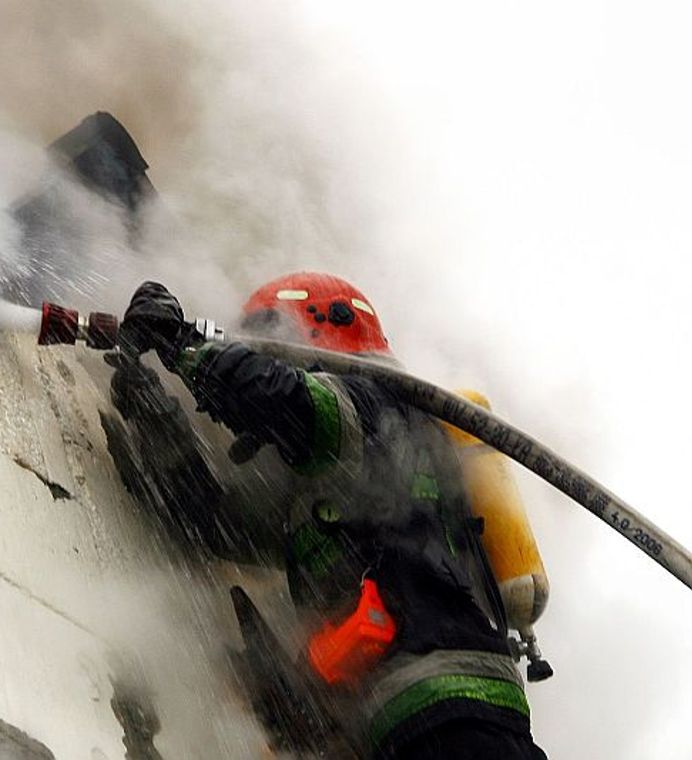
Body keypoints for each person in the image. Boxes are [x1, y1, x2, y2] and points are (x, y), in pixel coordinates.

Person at [108, 275, 547, 760]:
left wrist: (183, 343)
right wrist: (157, 417)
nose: (266, 352)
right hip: (414, 722)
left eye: (270, 335)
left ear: (321, 328)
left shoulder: (378, 403)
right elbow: (213, 524)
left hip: (448, 708)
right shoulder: (328, 487)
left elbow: (282, 398)